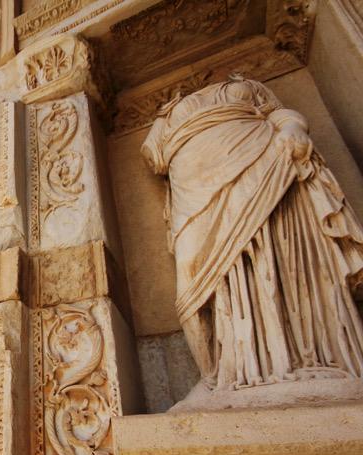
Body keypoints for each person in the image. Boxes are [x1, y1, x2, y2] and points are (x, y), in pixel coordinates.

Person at [142, 75, 363, 391]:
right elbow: (154, 157)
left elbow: (279, 112)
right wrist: (170, 120)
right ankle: (216, 375)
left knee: (275, 253)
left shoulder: (247, 85)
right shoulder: (168, 112)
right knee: (191, 272)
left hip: (260, 160)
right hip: (193, 184)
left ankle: (301, 358)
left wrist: (292, 127)